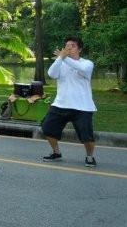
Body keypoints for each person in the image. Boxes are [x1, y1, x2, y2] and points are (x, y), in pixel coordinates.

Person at [42, 36, 97, 167]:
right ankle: (56, 152)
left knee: (86, 136)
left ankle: (90, 156)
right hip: (60, 104)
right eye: (66, 46)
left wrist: (64, 58)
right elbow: (51, 74)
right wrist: (60, 59)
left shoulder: (87, 63)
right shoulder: (61, 62)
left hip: (82, 107)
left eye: (72, 46)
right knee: (47, 128)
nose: (68, 48)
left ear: (80, 49)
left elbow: (82, 69)